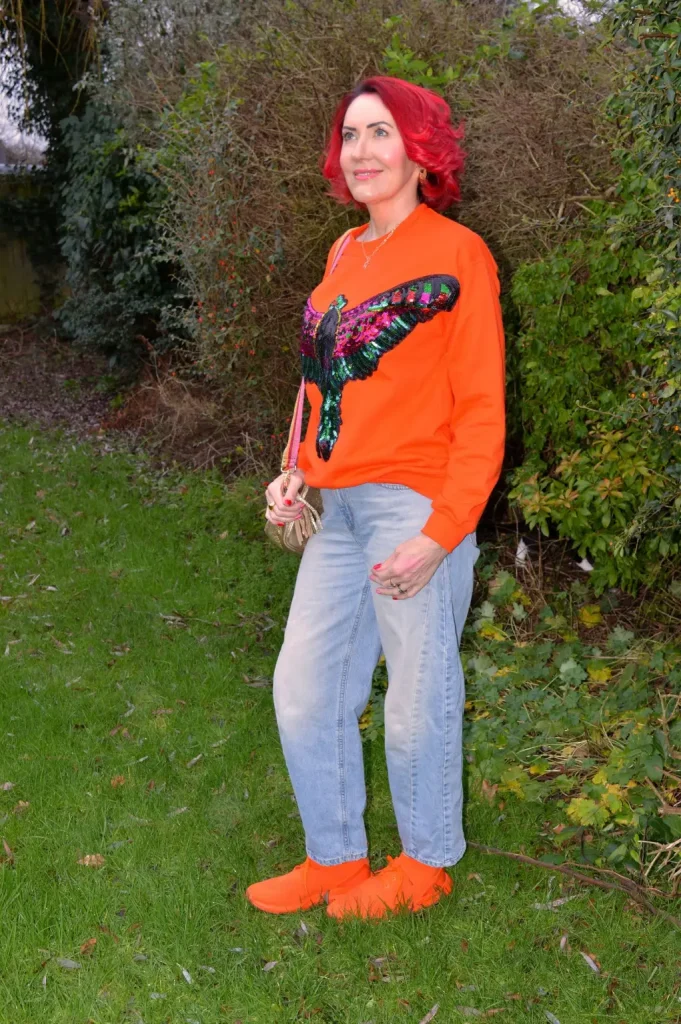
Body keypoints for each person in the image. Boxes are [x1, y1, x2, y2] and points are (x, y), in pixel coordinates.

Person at [248, 75, 506, 920]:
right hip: (340, 506)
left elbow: (481, 410)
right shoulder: (344, 251)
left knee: (416, 699)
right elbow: (320, 380)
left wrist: (442, 532)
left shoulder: (457, 253)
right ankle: (334, 860)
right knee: (305, 687)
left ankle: (426, 864)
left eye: (380, 133)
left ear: (420, 151)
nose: (360, 150)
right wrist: (295, 469)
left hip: (414, 509)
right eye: (350, 134)